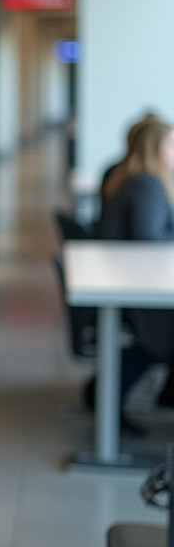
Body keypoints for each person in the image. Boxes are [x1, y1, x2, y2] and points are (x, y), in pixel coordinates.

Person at [99, 117, 174, 410]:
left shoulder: (132, 175)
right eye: (171, 144)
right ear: (154, 147)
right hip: (137, 288)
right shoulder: (147, 183)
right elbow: (150, 236)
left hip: (127, 277)